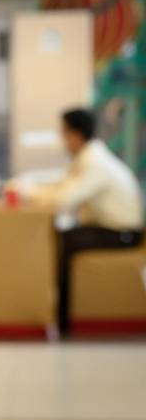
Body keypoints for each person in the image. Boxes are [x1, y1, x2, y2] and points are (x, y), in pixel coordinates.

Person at [21, 108, 143, 335]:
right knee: (64, 237)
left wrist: (27, 193)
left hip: (122, 234)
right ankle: (59, 314)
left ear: (75, 135)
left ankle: (63, 319)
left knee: (63, 242)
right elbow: (61, 183)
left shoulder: (95, 163)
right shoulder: (89, 157)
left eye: (64, 133)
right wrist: (26, 186)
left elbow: (63, 199)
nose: (62, 140)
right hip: (109, 229)